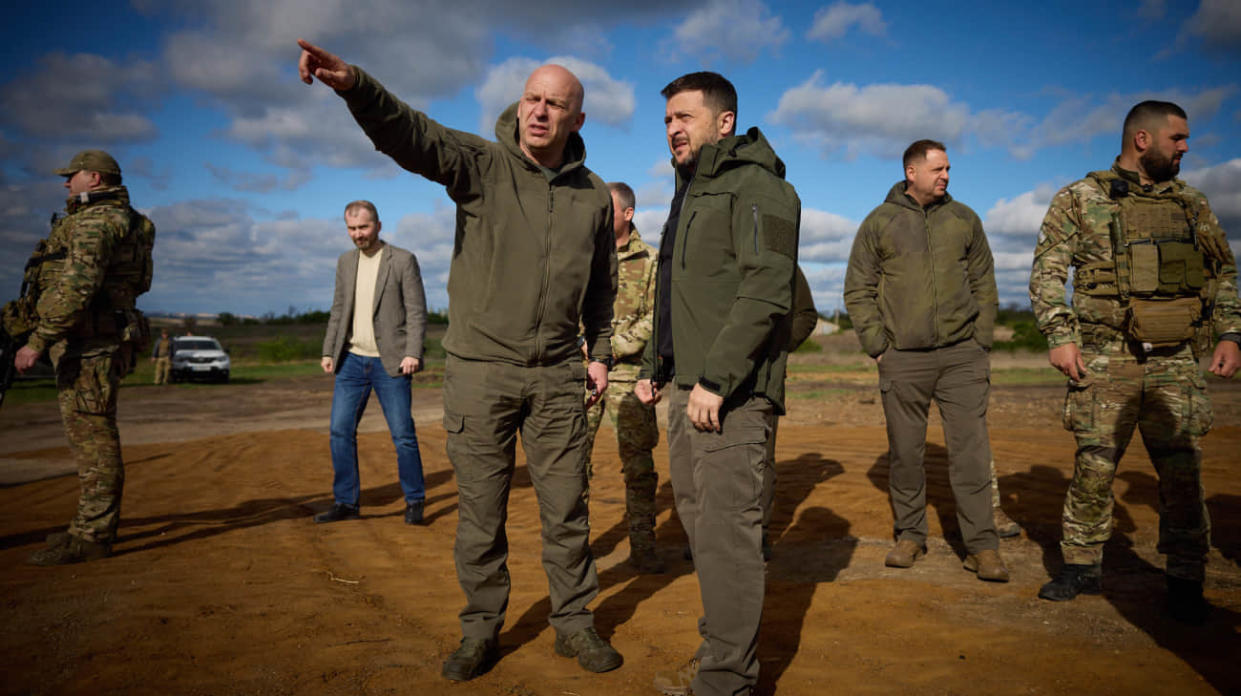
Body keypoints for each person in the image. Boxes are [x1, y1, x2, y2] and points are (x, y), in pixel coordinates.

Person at [297, 40, 621, 679]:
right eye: (532, 98)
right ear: (519, 102)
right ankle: (480, 631)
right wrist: (356, 87)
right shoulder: (481, 165)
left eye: (556, 104)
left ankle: (575, 625)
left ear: (577, 120)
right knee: (480, 514)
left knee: (567, 511)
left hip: (558, 376)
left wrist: (602, 353)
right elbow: (413, 134)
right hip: (481, 373)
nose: (539, 112)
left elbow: (603, 290)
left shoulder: (593, 197)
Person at [1029, 100, 1241, 623]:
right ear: (1143, 140)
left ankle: (1187, 576)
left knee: (1183, 472)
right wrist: (1061, 336)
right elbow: (1047, 273)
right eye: (1179, 138)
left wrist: (1230, 334)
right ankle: (1081, 565)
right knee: (1095, 466)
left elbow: (1223, 274)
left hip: (1176, 362)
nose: (1186, 147)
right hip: (1105, 357)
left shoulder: (1193, 204)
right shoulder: (1079, 199)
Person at [637, 71, 799, 696]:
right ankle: (720, 666)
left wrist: (715, 379)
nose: (674, 129)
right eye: (668, 121)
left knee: (729, 541)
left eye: (685, 117)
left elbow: (766, 291)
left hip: (728, 398)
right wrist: (660, 370)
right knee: (703, 531)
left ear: (724, 122)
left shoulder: (758, 188)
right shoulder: (690, 192)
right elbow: (683, 296)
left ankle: (726, 684)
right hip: (688, 391)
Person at [843, 139, 1009, 583]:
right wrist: (878, 345)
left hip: (962, 357)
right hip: (903, 360)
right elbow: (857, 289)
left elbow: (985, 283)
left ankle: (982, 547)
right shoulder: (880, 222)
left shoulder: (964, 219)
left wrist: (981, 341)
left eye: (949, 168)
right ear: (911, 172)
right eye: (938, 169)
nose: (946, 176)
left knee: (971, 454)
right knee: (906, 454)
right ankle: (910, 534)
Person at [8, 150, 155, 565]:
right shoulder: (129, 220)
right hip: (97, 337)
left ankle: (93, 536)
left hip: (91, 343)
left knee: (93, 438)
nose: (64, 183)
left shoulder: (97, 222)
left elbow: (78, 286)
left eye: (70, 175)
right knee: (90, 434)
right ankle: (86, 527)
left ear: (93, 178)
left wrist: (37, 340)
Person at [317, 200, 428, 526]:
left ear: (378, 225)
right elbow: (338, 309)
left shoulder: (403, 260)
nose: (357, 235)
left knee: (403, 434)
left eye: (363, 228)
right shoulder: (345, 262)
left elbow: (417, 310)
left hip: (391, 362)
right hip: (351, 361)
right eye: (351, 229)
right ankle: (346, 503)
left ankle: (414, 500)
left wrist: (414, 351)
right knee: (340, 432)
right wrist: (329, 351)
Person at [582, 181, 663, 574]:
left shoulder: (651, 261)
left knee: (638, 466)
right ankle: (574, 548)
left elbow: (657, 317)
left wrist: (612, 347)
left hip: (628, 376)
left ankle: (643, 545)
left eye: (606, 210)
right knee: (572, 461)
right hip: (581, 375)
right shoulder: (583, 255)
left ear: (628, 214)